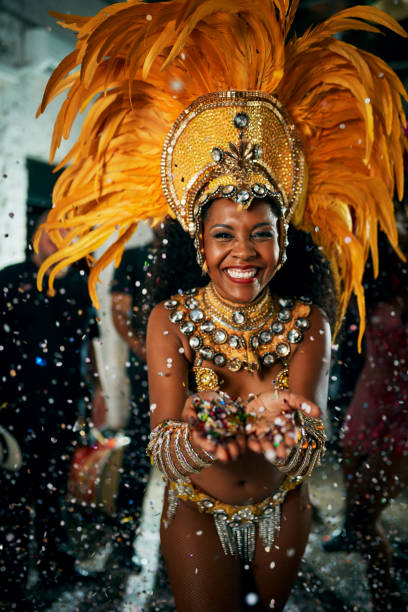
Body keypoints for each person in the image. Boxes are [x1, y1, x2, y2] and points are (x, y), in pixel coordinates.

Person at [35, 1, 407, 610]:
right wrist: (200, 441)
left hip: (281, 511)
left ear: (285, 246)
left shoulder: (308, 323)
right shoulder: (169, 319)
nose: (244, 251)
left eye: (261, 233)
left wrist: (289, 432)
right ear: (200, 246)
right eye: (224, 234)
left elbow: (311, 430)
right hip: (197, 513)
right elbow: (161, 439)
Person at [0, 213, 101, 608]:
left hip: (61, 406)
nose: (56, 238)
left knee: (53, 491)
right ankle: (10, 580)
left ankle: (56, 566)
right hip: (12, 410)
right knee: (12, 498)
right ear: (33, 235)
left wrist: (97, 394)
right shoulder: (9, 280)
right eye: (50, 231)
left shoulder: (81, 286)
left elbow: (88, 348)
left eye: (66, 232)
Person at [323, 221, 408, 611]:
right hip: (367, 405)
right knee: (359, 519)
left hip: (402, 416)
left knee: (364, 513)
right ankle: (383, 598)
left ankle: (387, 598)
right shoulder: (371, 284)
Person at [109, 243, 154, 568]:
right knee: (139, 457)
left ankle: (187, 552)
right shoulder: (136, 257)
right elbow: (119, 310)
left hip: (196, 375)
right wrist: (143, 349)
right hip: (147, 373)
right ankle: (124, 544)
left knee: (198, 460)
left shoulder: (201, 252)